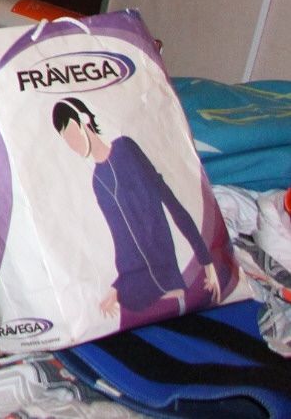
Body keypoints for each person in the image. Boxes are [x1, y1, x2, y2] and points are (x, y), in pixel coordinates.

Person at [51, 96, 225, 328]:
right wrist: (117, 288)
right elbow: (121, 239)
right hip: (134, 291)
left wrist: (206, 260)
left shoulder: (125, 148)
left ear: (85, 120)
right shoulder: (97, 181)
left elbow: (170, 200)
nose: (72, 143)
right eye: (66, 139)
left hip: (168, 281)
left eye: (72, 132)